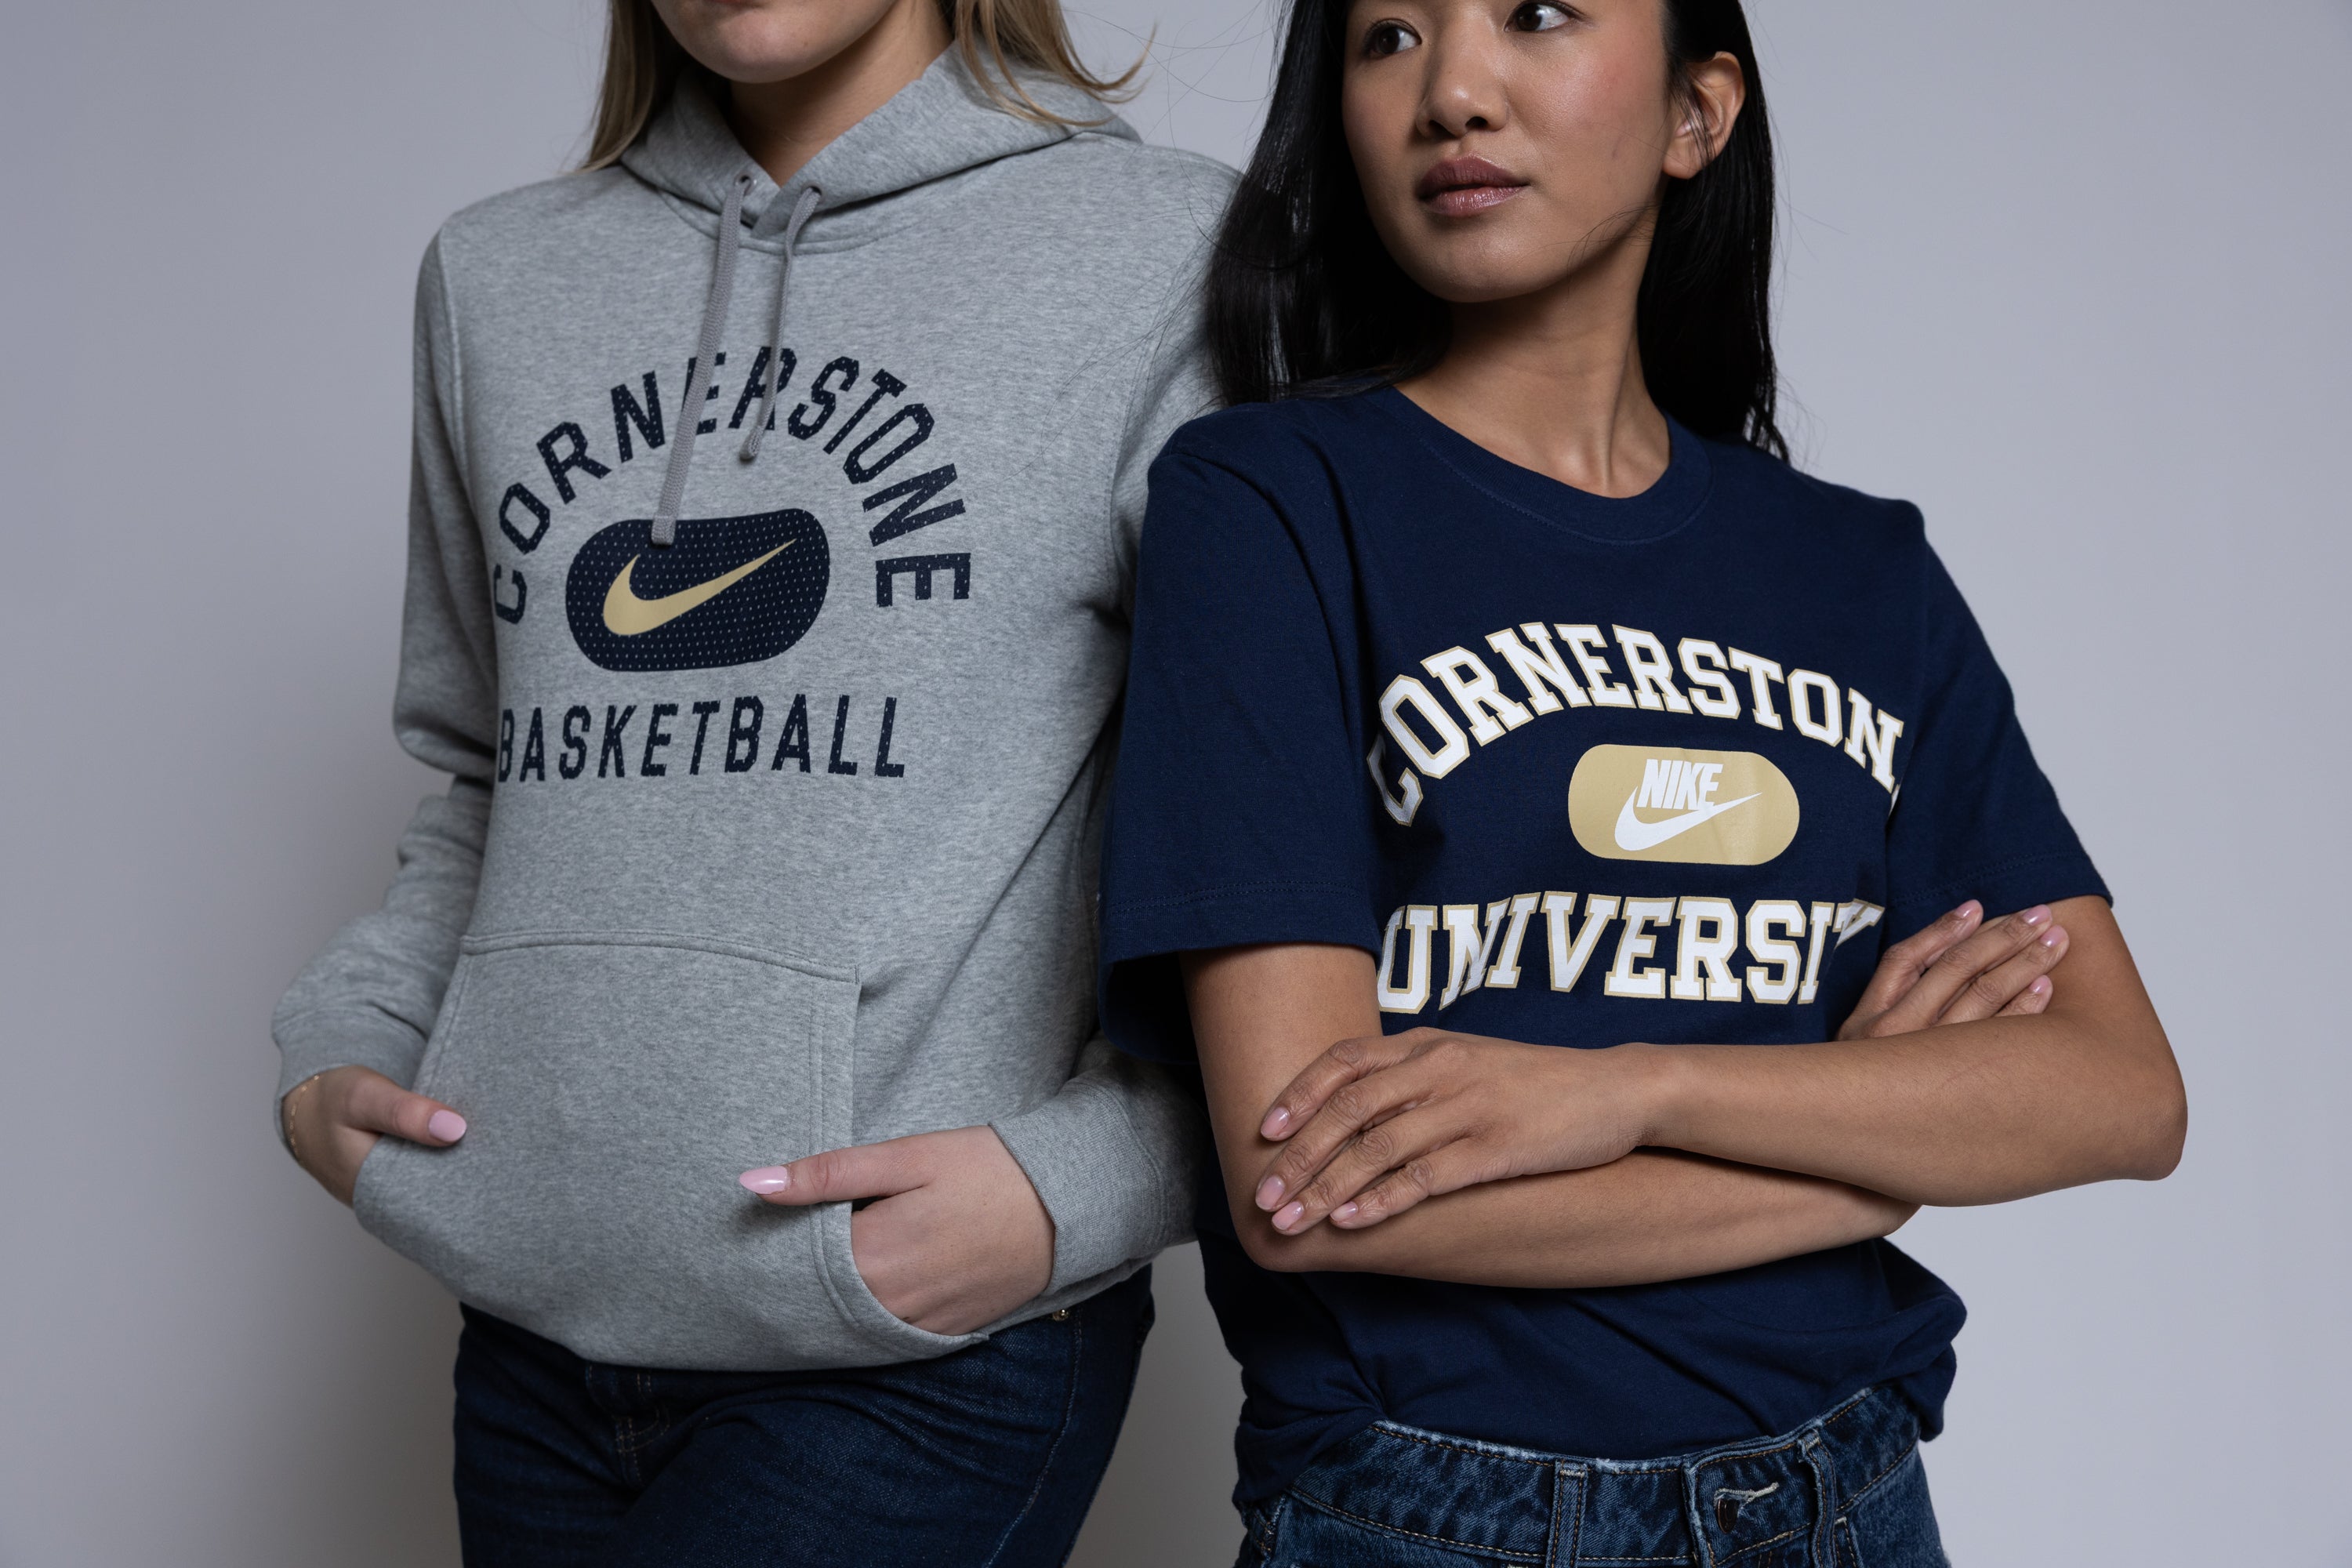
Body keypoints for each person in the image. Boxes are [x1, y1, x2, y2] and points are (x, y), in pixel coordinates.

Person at [1098, 0, 2187, 1563]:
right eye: (1389, 37)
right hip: (1433, 1513)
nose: (1456, 92)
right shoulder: (1269, 505)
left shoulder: (1857, 571)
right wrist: (1865, 1165)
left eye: (1537, 16)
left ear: (1699, 112)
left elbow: (2119, 1091)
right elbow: (1311, 1184)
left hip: (1848, 1496)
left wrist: (1626, 1085)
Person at [270, 0, 1230, 1560]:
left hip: (906, 1353)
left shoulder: (1171, 254)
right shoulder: (498, 277)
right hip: (532, 1327)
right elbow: (484, 771)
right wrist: (339, 1041)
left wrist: (1091, 1185)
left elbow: (1285, 826)